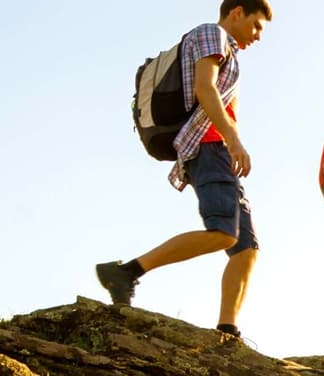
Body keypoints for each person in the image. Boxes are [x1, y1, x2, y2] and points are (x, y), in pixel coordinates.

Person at [95, 0, 271, 341]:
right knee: (225, 232)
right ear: (237, 12)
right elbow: (204, 89)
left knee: (246, 248)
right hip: (208, 147)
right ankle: (127, 272)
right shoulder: (212, 35)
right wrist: (233, 140)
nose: (258, 37)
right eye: (256, 26)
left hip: (216, 149)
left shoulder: (227, 51)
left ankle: (227, 331)